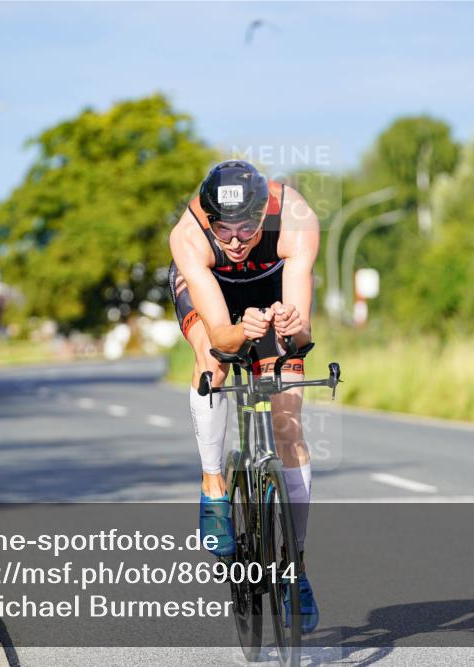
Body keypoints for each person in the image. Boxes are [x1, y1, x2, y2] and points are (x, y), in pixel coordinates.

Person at [168, 160, 321, 633]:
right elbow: (219, 337)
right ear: (209, 220)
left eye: (247, 228)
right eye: (224, 229)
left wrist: (291, 328)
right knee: (212, 363)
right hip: (214, 300)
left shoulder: (296, 220)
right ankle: (214, 483)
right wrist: (239, 331)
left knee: (288, 420)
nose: (234, 241)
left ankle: (293, 563)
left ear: (265, 213)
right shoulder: (190, 236)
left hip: (271, 288)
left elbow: (301, 334)